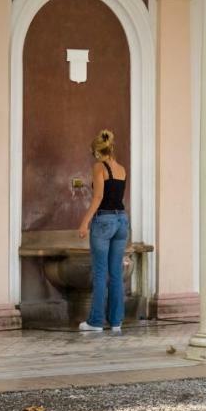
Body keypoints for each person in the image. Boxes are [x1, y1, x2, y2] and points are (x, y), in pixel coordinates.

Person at [76, 129, 129, 333]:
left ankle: (96, 322)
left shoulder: (99, 167)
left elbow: (98, 198)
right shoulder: (122, 169)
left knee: (100, 273)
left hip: (104, 221)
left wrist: (84, 222)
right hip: (122, 221)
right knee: (116, 273)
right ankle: (116, 322)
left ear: (97, 152)